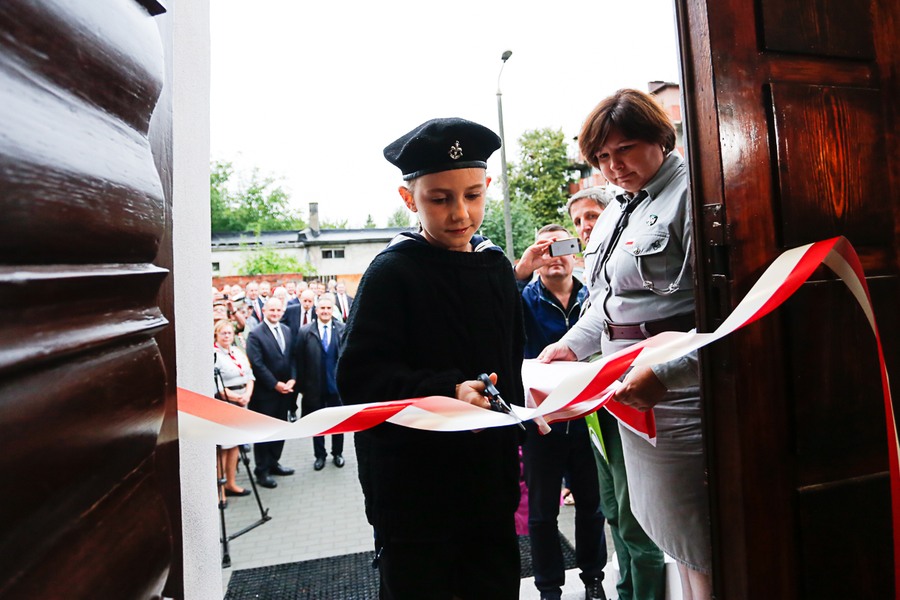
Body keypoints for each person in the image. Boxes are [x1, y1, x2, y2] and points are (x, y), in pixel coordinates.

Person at [337, 117, 525, 600]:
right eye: (440, 199)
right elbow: (358, 380)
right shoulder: (391, 273)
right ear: (409, 199)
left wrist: (525, 413)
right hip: (415, 498)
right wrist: (449, 391)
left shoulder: (496, 266)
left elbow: (511, 361)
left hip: (488, 487)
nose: (460, 212)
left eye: (473, 195)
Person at [539, 89, 708, 599]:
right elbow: (606, 303)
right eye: (602, 157)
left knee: (696, 534)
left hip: (676, 392)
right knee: (660, 522)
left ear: (660, 137)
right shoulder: (617, 208)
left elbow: (724, 313)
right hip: (626, 387)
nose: (614, 167)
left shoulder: (695, 195)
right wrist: (570, 346)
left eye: (625, 150)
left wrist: (668, 374)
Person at [567, 186, 667, 600]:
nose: (585, 227)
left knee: (634, 518)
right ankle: (625, 590)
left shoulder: (629, 273)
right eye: (577, 221)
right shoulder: (591, 280)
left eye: (592, 215)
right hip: (598, 413)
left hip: (630, 400)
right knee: (611, 509)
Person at [514, 224, 608, 600]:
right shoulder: (523, 299)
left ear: (576, 253)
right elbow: (492, 308)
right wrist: (522, 270)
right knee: (542, 513)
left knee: (592, 506)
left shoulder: (592, 297)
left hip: (588, 417)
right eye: (546, 248)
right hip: (541, 422)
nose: (555, 255)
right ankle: (549, 588)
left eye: (563, 246)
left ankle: (593, 578)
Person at [245, 296, 296, 489]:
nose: (275, 313)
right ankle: (262, 470)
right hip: (266, 394)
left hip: (285, 391)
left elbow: (291, 357)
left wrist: (293, 379)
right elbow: (257, 364)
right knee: (264, 432)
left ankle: (274, 462)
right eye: (271, 310)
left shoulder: (286, 330)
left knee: (280, 429)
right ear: (264, 311)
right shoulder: (255, 334)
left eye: (278, 310)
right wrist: (275, 384)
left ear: (282, 312)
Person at [295, 293, 345, 470]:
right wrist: (302, 388)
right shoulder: (305, 331)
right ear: (316, 311)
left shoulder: (342, 329)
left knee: (338, 422)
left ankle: (337, 453)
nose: (325, 311)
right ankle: (320, 455)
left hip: (335, 387)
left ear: (333, 310)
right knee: (318, 424)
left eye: (328, 308)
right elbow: (299, 361)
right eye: (322, 308)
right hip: (314, 387)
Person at [213, 319, 255, 498]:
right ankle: (219, 491)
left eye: (229, 333)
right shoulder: (214, 354)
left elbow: (249, 375)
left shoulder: (237, 351)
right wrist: (236, 397)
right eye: (223, 333)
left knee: (236, 444)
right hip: (226, 402)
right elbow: (216, 385)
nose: (227, 336)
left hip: (242, 401)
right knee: (224, 447)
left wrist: (247, 394)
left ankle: (231, 483)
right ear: (216, 335)